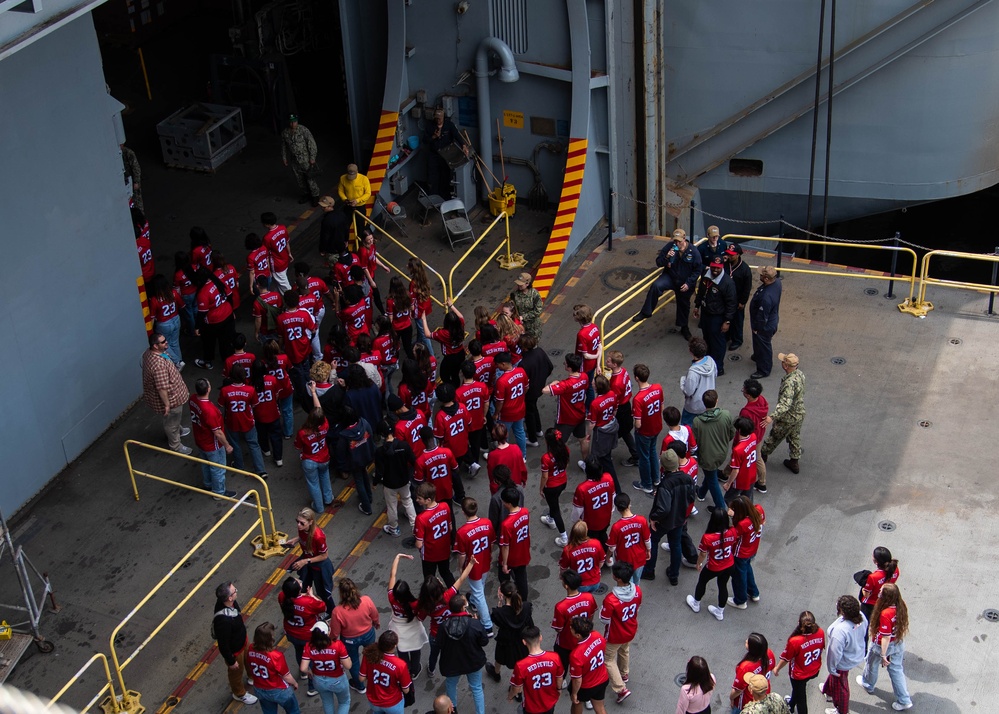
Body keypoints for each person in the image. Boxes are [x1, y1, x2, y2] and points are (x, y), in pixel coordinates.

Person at [631, 228, 703, 339]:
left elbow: (697, 270)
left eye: (679, 241)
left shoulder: (693, 252)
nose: (677, 243)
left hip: (684, 282)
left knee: (684, 304)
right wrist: (667, 257)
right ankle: (646, 312)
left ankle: (684, 327)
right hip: (670, 277)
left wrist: (689, 283)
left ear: (684, 239)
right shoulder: (670, 247)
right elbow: (658, 262)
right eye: (675, 241)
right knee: (656, 286)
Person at [644, 449, 697, 585]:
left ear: (663, 466)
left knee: (653, 541)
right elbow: (691, 497)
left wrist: (654, 518)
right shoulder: (687, 478)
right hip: (679, 518)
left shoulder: (665, 484)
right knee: (676, 545)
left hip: (664, 521)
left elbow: (664, 508)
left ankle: (649, 571)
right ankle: (674, 575)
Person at [417, 557, 476, 676]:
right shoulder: (448, 595)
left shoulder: (425, 605)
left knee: (434, 654)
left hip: (435, 634)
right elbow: (461, 578)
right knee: (450, 651)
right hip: (450, 631)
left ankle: (431, 670)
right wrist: (471, 563)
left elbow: (419, 618)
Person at [857, 583, 912, 711]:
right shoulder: (901, 606)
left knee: (872, 664)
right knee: (897, 670)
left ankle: (868, 683)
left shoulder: (886, 614)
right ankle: (904, 700)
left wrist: (883, 654)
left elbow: (885, 637)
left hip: (882, 645)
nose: (879, 592)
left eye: (881, 591)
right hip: (898, 642)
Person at [438, 593, 488, 714]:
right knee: (476, 688)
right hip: (472, 661)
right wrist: (477, 623)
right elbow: (484, 641)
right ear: (462, 608)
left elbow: (439, 643)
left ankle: (452, 710)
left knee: (451, 685)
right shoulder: (474, 624)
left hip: (451, 663)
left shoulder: (444, 626)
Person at [599, 560, 642, 704]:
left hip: (615, 635)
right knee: (624, 650)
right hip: (630, 629)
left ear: (616, 578)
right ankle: (624, 674)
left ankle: (620, 688)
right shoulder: (637, 591)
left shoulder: (611, 599)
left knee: (608, 659)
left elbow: (604, 619)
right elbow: (637, 609)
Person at [142, 332, 192, 454]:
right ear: (155, 346)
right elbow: (161, 387)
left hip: (174, 394)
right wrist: (167, 405)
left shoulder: (151, 353)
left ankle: (178, 430)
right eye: (163, 342)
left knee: (174, 420)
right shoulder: (158, 365)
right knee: (171, 422)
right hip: (172, 399)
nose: (166, 342)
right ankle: (176, 445)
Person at [686, 508, 739, 621]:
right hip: (729, 564)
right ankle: (719, 611)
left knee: (702, 581)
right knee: (723, 585)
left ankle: (696, 604)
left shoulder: (708, 537)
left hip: (714, 567)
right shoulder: (733, 531)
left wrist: (698, 563)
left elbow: (703, 554)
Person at [330, 578, 380, 693]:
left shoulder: (337, 611)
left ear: (341, 593)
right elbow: (375, 615)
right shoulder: (366, 600)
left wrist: (331, 640)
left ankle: (360, 685)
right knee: (371, 656)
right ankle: (374, 678)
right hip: (368, 633)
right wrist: (376, 623)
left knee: (353, 661)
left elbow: (335, 633)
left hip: (349, 640)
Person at [279, 576, 327, 695]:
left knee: (299, 652)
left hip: (291, 632)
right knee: (312, 660)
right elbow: (322, 606)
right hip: (307, 636)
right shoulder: (307, 602)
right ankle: (312, 686)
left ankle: (303, 672)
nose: (300, 581)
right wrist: (311, 595)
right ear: (298, 590)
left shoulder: (282, 597)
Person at [212, 581, 258, 705]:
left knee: (249, 660)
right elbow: (223, 644)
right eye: (234, 591)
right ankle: (239, 693)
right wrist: (231, 661)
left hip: (243, 640)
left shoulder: (230, 603)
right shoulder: (223, 621)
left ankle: (252, 677)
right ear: (230, 598)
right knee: (236, 673)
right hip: (235, 651)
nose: (237, 591)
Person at [454, 497, 495, 633]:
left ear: (464, 512)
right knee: (479, 587)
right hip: (485, 560)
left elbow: (462, 555)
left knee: (478, 593)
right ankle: (475, 603)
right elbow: (492, 542)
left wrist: (461, 568)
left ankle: (487, 625)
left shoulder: (462, 532)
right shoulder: (487, 523)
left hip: (473, 566)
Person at [189, 378, 236, 498]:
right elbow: (218, 433)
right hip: (212, 444)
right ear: (208, 389)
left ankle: (208, 484)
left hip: (200, 439)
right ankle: (219, 492)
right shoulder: (209, 411)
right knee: (218, 468)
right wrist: (227, 445)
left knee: (206, 463)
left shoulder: (193, 399)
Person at [760, 352, 805, 474]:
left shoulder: (789, 383)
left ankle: (761, 459)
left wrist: (772, 417)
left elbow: (785, 404)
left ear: (785, 366)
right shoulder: (800, 374)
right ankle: (794, 462)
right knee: (794, 437)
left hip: (787, 417)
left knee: (773, 437)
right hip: (799, 413)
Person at [282, 508, 335, 613]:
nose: (298, 525)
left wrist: (305, 561)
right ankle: (305, 608)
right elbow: (304, 536)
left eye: (302, 523)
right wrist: (295, 540)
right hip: (308, 564)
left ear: (310, 522)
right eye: (297, 521)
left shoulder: (318, 537)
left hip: (319, 567)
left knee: (323, 592)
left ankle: (331, 611)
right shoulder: (303, 529)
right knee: (303, 587)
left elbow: (324, 556)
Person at [387, 553, 430, 679]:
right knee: (415, 649)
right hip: (413, 628)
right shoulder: (415, 604)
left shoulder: (391, 597)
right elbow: (422, 615)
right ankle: (415, 670)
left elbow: (392, 575)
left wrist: (398, 557)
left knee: (402, 650)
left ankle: (407, 668)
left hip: (397, 628)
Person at [822, 595, 868, 714]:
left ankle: (841, 710)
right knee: (836, 680)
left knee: (842, 687)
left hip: (843, 662)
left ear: (843, 611)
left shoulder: (840, 631)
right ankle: (829, 691)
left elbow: (834, 653)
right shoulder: (862, 617)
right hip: (855, 653)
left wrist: (832, 668)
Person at [692, 256, 737, 375]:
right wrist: (697, 306)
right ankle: (708, 362)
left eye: (718, 268)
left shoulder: (727, 283)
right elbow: (701, 291)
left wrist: (727, 321)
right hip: (706, 313)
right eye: (713, 267)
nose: (715, 270)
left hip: (718, 317)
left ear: (722, 267)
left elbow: (731, 304)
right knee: (707, 339)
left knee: (717, 342)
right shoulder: (706, 276)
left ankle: (718, 367)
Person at [773, 611, 825, 714]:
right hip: (814, 669)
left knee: (801, 699)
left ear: (799, 623)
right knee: (798, 690)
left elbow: (786, 659)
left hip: (799, 674)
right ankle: (791, 705)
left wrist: (777, 668)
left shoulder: (795, 641)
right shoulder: (820, 632)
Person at [219, 367, 267, 478]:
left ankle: (239, 466)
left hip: (232, 421)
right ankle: (261, 470)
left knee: (235, 444)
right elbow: (255, 405)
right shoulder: (250, 389)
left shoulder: (225, 390)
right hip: (248, 421)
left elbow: (220, 405)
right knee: (254, 445)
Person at [542, 353, 589, 463]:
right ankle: (587, 463)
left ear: (569, 367)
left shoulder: (565, 385)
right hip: (580, 415)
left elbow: (545, 390)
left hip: (566, 419)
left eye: (565, 363)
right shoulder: (584, 377)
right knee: (583, 439)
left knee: (558, 443)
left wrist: (554, 383)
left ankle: (560, 464)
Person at [692, 390, 734, 510]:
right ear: (717, 400)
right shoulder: (726, 415)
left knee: (712, 480)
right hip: (721, 453)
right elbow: (731, 433)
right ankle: (701, 493)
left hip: (706, 456)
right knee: (710, 474)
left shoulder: (697, 422)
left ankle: (721, 508)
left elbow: (694, 442)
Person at [294, 385, 334, 514]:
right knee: (325, 476)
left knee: (313, 483)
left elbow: (298, 446)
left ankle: (319, 506)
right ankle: (328, 499)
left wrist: (312, 391)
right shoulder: (325, 424)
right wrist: (314, 392)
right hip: (324, 457)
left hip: (310, 460)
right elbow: (319, 409)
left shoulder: (303, 432)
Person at [551, 571, 597, 680]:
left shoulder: (561, 607)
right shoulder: (589, 597)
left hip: (566, 643)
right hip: (583, 640)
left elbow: (558, 629)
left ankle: (560, 682)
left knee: (562, 666)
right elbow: (592, 615)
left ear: (566, 586)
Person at [486, 580, 534, 683]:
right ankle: (519, 689)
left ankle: (496, 673)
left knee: (499, 657)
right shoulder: (525, 607)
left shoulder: (499, 613)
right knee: (521, 662)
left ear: (501, 594)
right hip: (522, 640)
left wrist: (499, 604)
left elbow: (498, 621)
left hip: (506, 641)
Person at [247, 622, 301, 713]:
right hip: (278, 690)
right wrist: (294, 683)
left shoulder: (251, 648)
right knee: (293, 711)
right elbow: (286, 676)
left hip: (259, 688)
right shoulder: (275, 656)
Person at [509, 626, 564, 714]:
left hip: (532, 707)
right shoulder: (554, 657)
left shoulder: (521, 666)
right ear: (540, 637)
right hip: (550, 702)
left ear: (524, 642)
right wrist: (559, 689)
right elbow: (559, 678)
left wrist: (510, 696)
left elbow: (516, 687)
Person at [376, 422, 417, 537]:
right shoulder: (404, 446)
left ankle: (394, 528)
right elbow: (413, 460)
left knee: (391, 506)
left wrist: (375, 483)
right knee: (408, 501)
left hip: (389, 484)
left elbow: (379, 471)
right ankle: (415, 527)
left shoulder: (380, 452)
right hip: (404, 479)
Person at [301, 620, 352, 714]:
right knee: (344, 702)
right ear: (328, 632)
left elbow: (303, 668)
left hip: (319, 680)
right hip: (337, 679)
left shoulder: (308, 646)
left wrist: (309, 671)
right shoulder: (337, 645)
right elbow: (348, 666)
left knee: (327, 703)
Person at [335, 406, 376, 516]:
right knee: (365, 475)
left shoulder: (344, 436)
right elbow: (371, 436)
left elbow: (340, 452)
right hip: (366, 457)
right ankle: (369, 496)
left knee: (359, 481)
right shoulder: (364, 423)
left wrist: (343, 466)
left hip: (354, 462)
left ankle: (366, 506)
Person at [413, 482, 456, 585]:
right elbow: (450, 528)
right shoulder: (445, 506)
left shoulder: (421, 518)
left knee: (429, 579)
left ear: (428, 500)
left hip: (429, 555)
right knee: (446, 573)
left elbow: (419, 544)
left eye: (419, 498)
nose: (417, 500)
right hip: (444, 550)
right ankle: (456, 596)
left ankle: (432, 599)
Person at [193, 267, 236, 369]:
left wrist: (197, 327)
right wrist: (232, 311)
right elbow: (230, 295)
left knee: (208, 342)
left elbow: (202, 312)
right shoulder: (218, 281)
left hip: (213, 321)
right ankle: (228, 362)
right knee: (225, 341)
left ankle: (208, 362)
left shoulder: (203, 292)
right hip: (227, 314)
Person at [360, 631, 412, 714]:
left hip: (374, 700)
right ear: (395, 646)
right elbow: (406, 690)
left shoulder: (369, 654)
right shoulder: (400, 665)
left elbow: (361, 678)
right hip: (393, 703)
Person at [630, 363, 663, 492]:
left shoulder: (638, 399)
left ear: (636, 378)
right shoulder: (658, 388)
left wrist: (636, 428)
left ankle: (646, 484)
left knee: (644, 457)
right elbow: (661, 406)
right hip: (656, 427)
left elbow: (638, 423)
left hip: (644, 431)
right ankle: (656, 478)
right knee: (653, 452)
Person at [584, 375, 620, 492]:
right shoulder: (612, 394)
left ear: (597, 387)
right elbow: (615, 410)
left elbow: (592, 424)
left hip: (602, 432)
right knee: (607, 453)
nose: (592, 383)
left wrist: (588, 436)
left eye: (594, 383)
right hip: (611, 428)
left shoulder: (595, 403)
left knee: (602, 457)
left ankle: (615, 488)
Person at [728, 496, 765, 609]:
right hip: (752, 548)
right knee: (747, 569)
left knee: (739, 576)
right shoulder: (759, 510)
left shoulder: (742, 524)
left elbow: (733, 535)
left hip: (740, 553)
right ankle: (753, 592)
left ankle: (740, 600)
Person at [571, 459, 616, 550]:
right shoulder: (608, 478)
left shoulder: (582, 489)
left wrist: (576, 523)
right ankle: (608, 557)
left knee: (591, 543)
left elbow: (577, 510)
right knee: (603, 535)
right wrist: (610, 511)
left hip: (590, 524)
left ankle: (596, 557)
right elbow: (613, 497)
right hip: (606, 518)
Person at [568, 616, 609, 714]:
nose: (570, 628)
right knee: (600, 708)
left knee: (577, 703)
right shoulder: (597, 636)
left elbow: (577, 680)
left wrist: (574, 694)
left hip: (587, 686)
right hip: (602, 678)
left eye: (572, 628)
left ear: (578, 635)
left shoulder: (576, 655)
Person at [607, 494, 651, 583]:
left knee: (626, 583)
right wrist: (649, 550)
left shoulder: (616, 527)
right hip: (639, 557)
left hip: (624, 561)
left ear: (617, 508)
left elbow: (612, 547)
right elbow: (647, 540)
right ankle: (636, 594)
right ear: (629, 504)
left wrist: (607, 557)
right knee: (636, 581)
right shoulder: (642, 520)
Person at [421, 300, 466, 386]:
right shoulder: (460, 325)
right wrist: (451, 305)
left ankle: (450, 390)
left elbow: (427, 334)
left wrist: (423, 319)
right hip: (460, 354)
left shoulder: (444, 333)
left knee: (444, 375)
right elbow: (461, 316)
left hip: (450, 358)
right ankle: (455, 387)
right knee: (455, 374)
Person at [518, 334, 553, 444]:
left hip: (529, 392)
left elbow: (522, 382)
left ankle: (533, 438)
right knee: (534, 408)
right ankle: (538, 430)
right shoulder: (540, 351)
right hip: (540, 386)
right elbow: (550, 367)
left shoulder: (523, 364)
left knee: (529, 413)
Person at [424, 107, 467, 197]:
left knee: (446, 176)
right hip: (434, 155)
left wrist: (463, 145)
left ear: (443, 117)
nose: (438, 120)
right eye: (436, 118)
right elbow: (425, 140)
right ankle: (433, 197)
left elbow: (457, 135)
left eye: (439, 118)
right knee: (432, 177)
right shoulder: (430, 126)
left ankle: (445, 197)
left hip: (446, 155)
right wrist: (434, 137)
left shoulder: (449, 125)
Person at [539, 427, 571, 546]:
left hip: (551, 486)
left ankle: (564, 537)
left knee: (555, 508)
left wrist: (541, 488)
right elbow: (566, 464)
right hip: (563, 482)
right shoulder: (565, 450)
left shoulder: (546, 458)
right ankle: (550, 519)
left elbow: (545, 477)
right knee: (553, 503)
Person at [606, 351, 638, 466]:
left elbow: (614, 400)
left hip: (620, 410)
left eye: (608, 361)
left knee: (610, 433)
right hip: (626, 405)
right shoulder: (623, 371)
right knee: (625, 432)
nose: (606, 362)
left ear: (614, 364)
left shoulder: (615, 383)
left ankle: (605, 455)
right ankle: (636, 455)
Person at [498, 487, 531, 600]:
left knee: (503, 576)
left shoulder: (506, 524)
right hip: (523, 551)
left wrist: (505, 563)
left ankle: (509, 599)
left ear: (509, 503)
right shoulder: (525, 512)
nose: (502, 503)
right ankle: (525, 601)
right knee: (522, 578)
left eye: (503, 501)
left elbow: (505, 546)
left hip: (512, 557)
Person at [493, 352, 529, 456]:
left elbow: (500, 401)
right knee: (520, 432)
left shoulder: (501, 381)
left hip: (506, 414)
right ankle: (523, 456)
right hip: (520, 409)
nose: (497, 366)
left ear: (503, 364)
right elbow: (526, 387)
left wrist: (496, 413)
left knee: (503, 435)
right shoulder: (521, 371)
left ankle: (506, 456)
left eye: (498, 364)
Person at [729, 633, 777, 711]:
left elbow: (738, 690)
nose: (746, 641)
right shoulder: (769, 653)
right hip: (764, 693)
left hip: (748, 701)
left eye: (748, 642)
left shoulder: (745, 667)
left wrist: (731, 698)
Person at [749, 266, 782, 379]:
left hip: (764, 325)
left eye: (762, 275)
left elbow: (762, 316)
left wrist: (757, 328)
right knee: (759, 344)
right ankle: (758, 355)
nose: (760, 276)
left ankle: (764, 369)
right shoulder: (777, 282)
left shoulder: (766, 297)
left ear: (766, 279)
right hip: (772, 318)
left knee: (764, 345)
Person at [434, 383, 472, 478]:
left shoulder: (440, 416)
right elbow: (469, 423)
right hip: (463, 445)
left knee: (453, 470)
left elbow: (439, 437)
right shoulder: (462, 407)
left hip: (449, 451)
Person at [739, 379, 770, 493]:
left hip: (750, 438)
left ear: (748, 395)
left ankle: (762, 483)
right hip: (759, 435)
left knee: (756, 458)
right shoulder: (762, 400)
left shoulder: (746, 412)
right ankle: (726, 473)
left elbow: (742, 428)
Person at [457, 361, 489, 469]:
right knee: (476, 444)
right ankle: (475, 463)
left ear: (462, 373)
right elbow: (486, 403)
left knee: (465, 444)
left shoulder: (458, 392)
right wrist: (484, 416)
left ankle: (468, 463)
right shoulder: (482, 386)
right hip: (478, 420)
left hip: (466, 424)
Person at [281, 114, 320, 205]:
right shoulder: (285, 133)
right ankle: (306, 194)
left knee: (310, 178)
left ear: (297, 121)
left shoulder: (303, 130)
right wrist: (284, 157)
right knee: (299, 179)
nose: (292, 124)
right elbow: (283, 146)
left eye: (294, 122)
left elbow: (312, 143)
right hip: (294, 161)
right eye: (290, 122)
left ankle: (315, 196)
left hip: (305, 159)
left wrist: (312, 157)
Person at [415, 426, 460, 504]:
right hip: (447, 489)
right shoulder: (447, 452)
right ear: (433, 436)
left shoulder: (420, 461)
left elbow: (419, 482)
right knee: (449, 512)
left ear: (422, 440)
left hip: (432, 494)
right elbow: (456, 469)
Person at [148, 274, 184, 368]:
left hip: (164, 324)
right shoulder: (173, 293)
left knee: (165, 345)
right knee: (175, 343)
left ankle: (177, 362)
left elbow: (152, 317)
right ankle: (179, 362)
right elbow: (182, 305)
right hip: (176, 319)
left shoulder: (155, 299)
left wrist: (150, 332)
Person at [559, 521, 605, 593]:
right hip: (595, 581)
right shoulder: (596, 543)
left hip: (579, 584)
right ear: (586, 531)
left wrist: (563, 578)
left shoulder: (568, 550)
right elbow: (601, 562)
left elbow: (563, 569)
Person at [859, 546, 901, 626]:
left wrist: (863, 588)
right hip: (884, 602)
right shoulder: (895, 570)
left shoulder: (873, 577)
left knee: (864, 624)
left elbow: (866, 594)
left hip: (869, 605)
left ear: (876, 562)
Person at [680, 337, 717, 426]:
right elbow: (715, 374)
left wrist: (682, 381)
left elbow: (688, 391)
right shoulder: (711, 361)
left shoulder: (693, 372)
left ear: (691, 352)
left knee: (687, 426)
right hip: (708, 402)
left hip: (694, 406)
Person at [723, 417, 759, 503]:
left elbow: (735, 470)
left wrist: (728, 483)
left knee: (728, 499)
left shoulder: (738, 450)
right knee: (748, 499)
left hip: (741, 480)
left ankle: (734, 514)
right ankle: (749, 514)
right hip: (752, 473)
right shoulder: (753, 437)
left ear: (739, 430)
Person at [725, 243, 753, 350]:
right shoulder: (726, 264)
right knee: (726, 318)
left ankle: (737, 340)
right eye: (728, 254)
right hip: (726, 298)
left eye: (732, 255)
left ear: (738, 255)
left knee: (737, 320)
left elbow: (747, 287)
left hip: (737, 300)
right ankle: (727, 335)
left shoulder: (745, 269)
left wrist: (743, 302)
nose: (729, 256)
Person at [572, 304, 602, 405]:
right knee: (589, 385)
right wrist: (598, 364)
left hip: (584, 366)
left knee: (587, 387)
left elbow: (585, 355)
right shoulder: (595, 327)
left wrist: (596, 355)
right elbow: (599, 346)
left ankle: (588, 408)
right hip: (593, 364)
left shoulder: (582, 334)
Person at [261, 212, 294, 294]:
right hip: (285, 258)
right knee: (278, 283)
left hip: (277, 264)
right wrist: (289, 254)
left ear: (267, 224)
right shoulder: (283, 228)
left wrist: (268, 270)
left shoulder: (267, 238)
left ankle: (294, 301)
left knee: (286, 287)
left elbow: (266, 255)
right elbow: (287, 243)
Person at [337, 163, 372, 232]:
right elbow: (340, 191)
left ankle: (360, 241)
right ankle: (345, 240)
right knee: (345, 225)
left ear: (357, 172)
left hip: (360, 206)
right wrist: (345, 199)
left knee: (360, 226)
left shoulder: (364, 179)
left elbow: (368, 193)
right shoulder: (343, 178)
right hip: (348, 205)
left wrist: (357, 200)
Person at [510, 272, 544, 339]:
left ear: (527, 284)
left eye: (521, 285)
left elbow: (538, 311)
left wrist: (523, 317)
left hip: (533, 325)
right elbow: (512, 307)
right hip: (520, 325)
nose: (519, 286)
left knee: (532, 343)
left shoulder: (534, 294)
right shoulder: (514, 294)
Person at [121, 142, 143, 212]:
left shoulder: (128, 153)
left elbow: (136, 168)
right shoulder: (118, 153)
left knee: (137, 201)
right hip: (125, 180)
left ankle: (141, 218)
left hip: (132, 180)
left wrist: (136, 182)